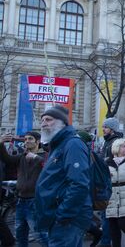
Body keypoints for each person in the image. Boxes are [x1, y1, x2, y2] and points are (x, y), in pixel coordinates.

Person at [35, 105, 93, 246]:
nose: (43, 123)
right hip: (59, 218)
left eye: (49, 119)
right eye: (42, 120)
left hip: (67, 220)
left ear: (62, 122)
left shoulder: (72, 144)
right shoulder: (58, 145)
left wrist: (63, 215)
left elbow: (79, 183)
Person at [0, 131, 48, 246]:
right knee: (20, 235)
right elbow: (7, 159)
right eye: (25, 139)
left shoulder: (44, 155)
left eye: (30, 139)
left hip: (34, 201)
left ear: (37, 141)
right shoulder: (23, 156)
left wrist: (36, 157)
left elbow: (49, 168)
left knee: (40, 235)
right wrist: (1, 143)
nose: (27, 141)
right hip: (20, 201)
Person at [97, 117, 123, 247]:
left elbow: (117, 163)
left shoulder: (115, 143)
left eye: (105, 127)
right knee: (108, 216)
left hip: (111, 183)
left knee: (107, 215)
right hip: (106, 181)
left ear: (112, 130)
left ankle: (106, 242)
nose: (103, 129)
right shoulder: (107, 142)